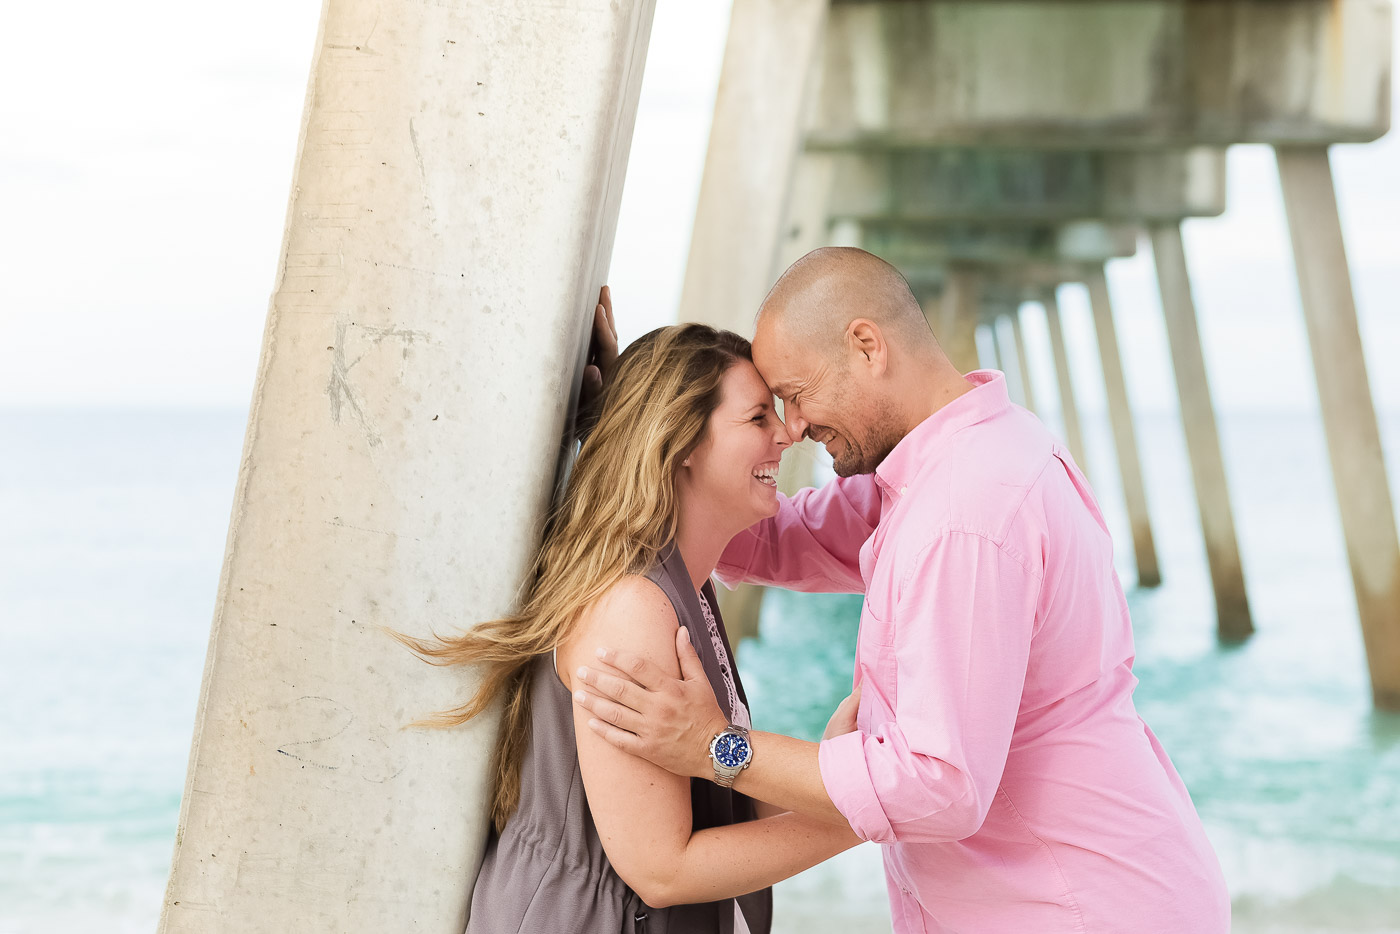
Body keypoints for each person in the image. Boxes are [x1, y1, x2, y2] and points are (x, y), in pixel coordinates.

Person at [574, 248, 1232, 933]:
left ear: (867, 346)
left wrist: (715, 746)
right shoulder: (948, 465)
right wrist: (638, 423)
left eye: (796, 394)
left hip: (1080, 908)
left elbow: (937, 784)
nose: (792, 428)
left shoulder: (963, 513)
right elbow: (762, 531)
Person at [395, 296, 860, 934]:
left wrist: (825, 776)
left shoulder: (685, 588)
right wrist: (863, 815)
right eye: (758, 417)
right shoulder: (632, 609)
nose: (786, 435)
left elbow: (711, 796)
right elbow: (662, 869)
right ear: (681, 443)